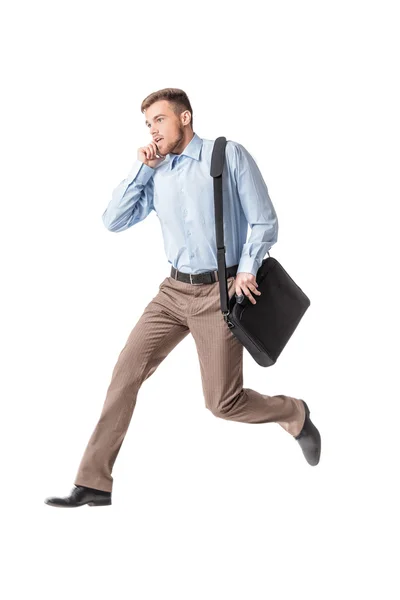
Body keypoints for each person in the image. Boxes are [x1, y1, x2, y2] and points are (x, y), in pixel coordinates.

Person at [44, 88, 321, 508]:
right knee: (125, 373)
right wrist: (142, 170)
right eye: (147, 124)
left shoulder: (226, 156)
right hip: (172, 293)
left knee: (222, 402)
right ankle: (94, 482)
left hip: (220, 292)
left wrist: (248, 266)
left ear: (185, 118)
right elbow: (112, 220)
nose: (153, 131)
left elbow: (264, 218)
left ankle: (293, 413)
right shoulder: (158, 171)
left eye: (158, 120)